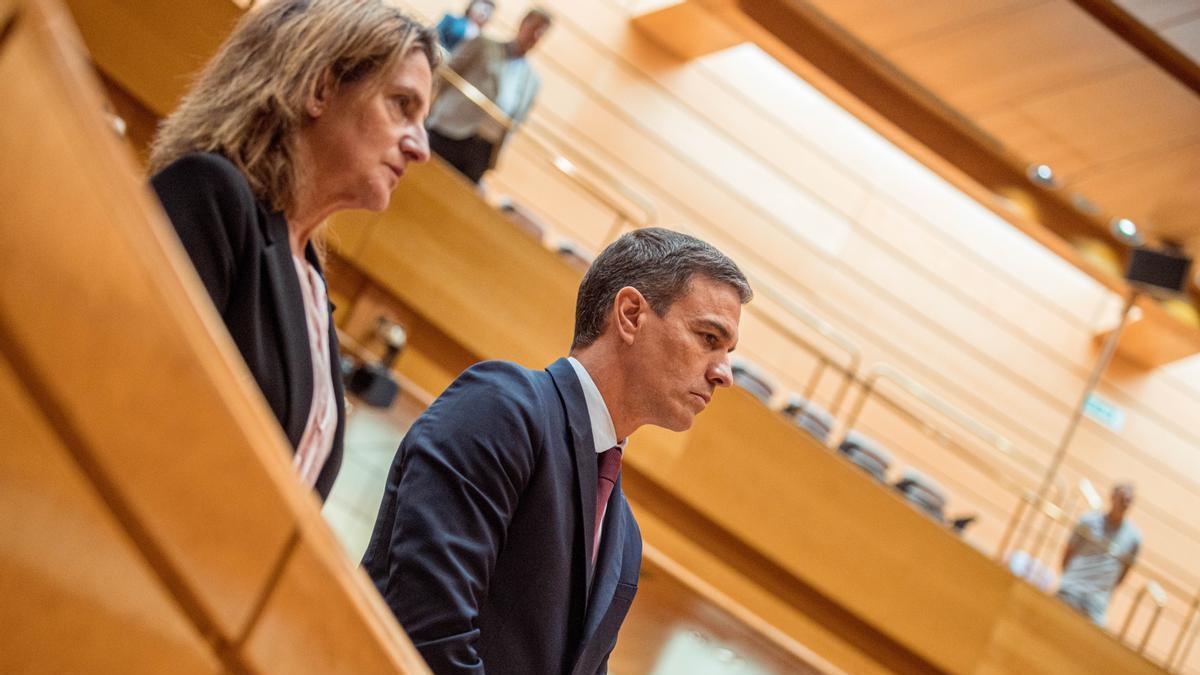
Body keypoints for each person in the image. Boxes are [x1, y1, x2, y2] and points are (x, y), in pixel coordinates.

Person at [362, 228, 752, 674]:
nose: (724, 374)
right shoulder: (503, 407)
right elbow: (427, 631)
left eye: (729, 353)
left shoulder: (624, 536)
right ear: (630, 315)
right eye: (708, 338)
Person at [147, 0, 438, 501]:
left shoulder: (310, 283)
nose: (420, 147)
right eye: (401, 105)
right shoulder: (211, 196)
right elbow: (132, 400)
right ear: (321, 87)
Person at [427, 8, 552, 183]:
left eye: (541, 33)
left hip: (482, 150)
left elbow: (517, 120)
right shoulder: (483, 45)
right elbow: (445, 75)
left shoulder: (533, 82)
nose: (535, 35)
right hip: (448, 130)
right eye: (534, 27)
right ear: (523, 23)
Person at [1056, 483, 1142, 626]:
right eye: (1122, 498)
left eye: (1129, 500)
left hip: (1097, 602)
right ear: (1112, 496)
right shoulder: (1088, 521)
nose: (1124, 503)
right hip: (1071, 590)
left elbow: (1124, 572)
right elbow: (1068, 551)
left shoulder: (1134, 538)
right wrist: (1071, 579)